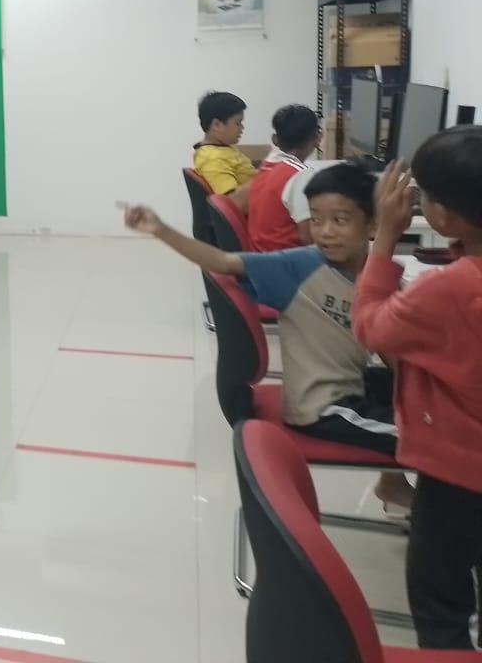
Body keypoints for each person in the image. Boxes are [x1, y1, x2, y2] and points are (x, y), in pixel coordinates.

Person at [123, 162, 413, 510]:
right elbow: (223, 261)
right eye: (316, 219)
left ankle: (392, 483)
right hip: (322, 406)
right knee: (434, 434)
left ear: (372, 224)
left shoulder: (378, 275)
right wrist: (160, 230)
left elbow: (390, 343)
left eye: (340, 220)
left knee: (423, 395)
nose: (325, 232)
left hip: (352, 384)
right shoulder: (299, 266)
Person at [352, 129, 482, 650]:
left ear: (443, 215)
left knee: (440, 603)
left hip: (460, 475)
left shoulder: (450, 290)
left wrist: (384, 235)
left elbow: (370, 326)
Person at [248, 105, 323, 252]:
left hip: (262, 254)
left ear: (275, 140)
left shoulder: (268, 165)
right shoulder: (300, 174)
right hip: (285, 259)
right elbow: (308, 238)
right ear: (317, 138)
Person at [194, 91, 256, 211]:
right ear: (216, 125)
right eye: (238, 123)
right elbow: (233, 202)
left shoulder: (223, 148)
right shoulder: (213, 159)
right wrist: (267, 177)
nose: (242, 128)